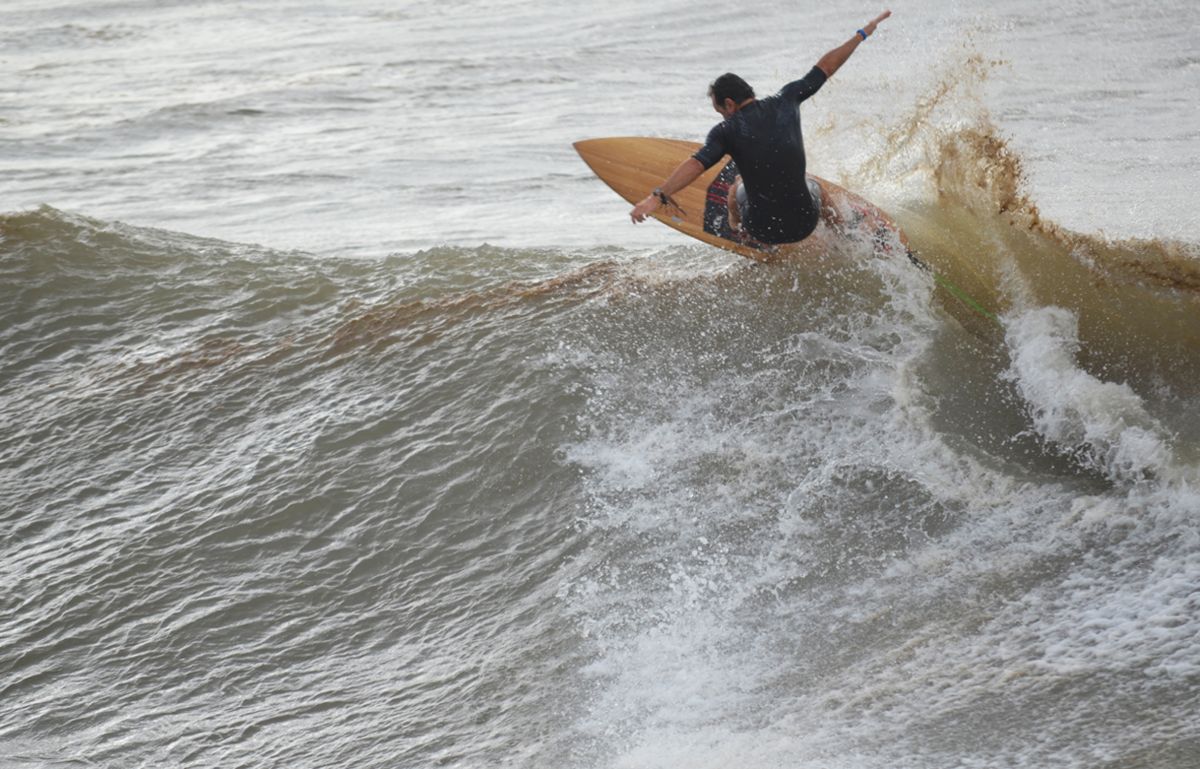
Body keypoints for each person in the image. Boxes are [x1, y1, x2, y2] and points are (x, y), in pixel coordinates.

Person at [630, 11, 892, 247]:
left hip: (763, 229)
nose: (722, 116)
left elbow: (697, 164)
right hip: (805, 223)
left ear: (729, 104)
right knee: (816, 188)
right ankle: (844, 237)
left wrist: (658, 196)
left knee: (735, 187)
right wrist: (861, 34)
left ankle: (739, 231)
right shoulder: (788, 99)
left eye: (720, 110)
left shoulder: (726, 131)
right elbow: (826, 68)